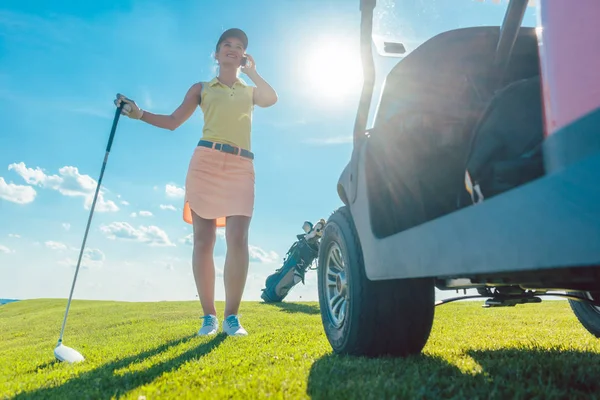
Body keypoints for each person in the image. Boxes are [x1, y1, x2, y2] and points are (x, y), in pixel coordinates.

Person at [114, 28, 278, 337]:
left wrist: (253, 72)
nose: (233, 49)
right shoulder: (201, 88)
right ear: (216, 54)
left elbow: (271, 97)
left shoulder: (249, 91)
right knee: (203, 241)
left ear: (244, 56)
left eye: (239, 46)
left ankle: (232, 317)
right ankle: (209, 317)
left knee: (238, 239)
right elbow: (174, 122)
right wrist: (139, 114)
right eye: (226, 45)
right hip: (206, 163)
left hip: (241, 166)